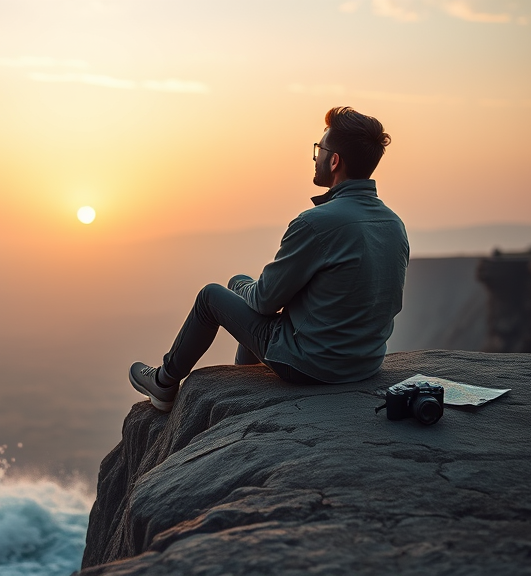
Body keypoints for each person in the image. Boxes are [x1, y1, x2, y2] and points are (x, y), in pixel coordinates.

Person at [130, 106, 409, 412]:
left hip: (312, 366)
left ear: (334, 160)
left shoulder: (316, 223)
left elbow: (265, 302)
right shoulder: (393, 224)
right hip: (365, 363)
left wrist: (251, 290)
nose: (315, 157)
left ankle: (164, 381)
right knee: (239, 283)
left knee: (212, 296)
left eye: (319, 149)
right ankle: (243, 377)